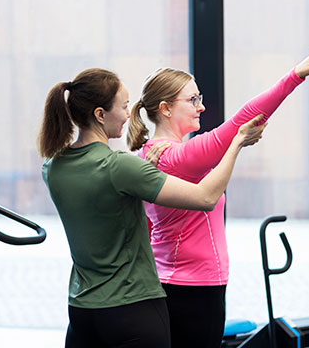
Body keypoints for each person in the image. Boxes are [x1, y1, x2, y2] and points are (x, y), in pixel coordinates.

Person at [127, 48, 309, 348]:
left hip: (174, 284)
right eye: (192, 100)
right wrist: (296, 75)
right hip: (192, 289)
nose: (201, 107)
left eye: (200, 98)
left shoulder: (149, 154)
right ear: (165, 109)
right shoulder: (176, 157)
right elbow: (240, 123)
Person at [38, 68, 265, 348]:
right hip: (132, 310)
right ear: (100, 114)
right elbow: (206, 198)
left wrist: (145, 174)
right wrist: (237, 142)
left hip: (82, 311)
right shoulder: (120, 166)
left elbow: (113, 211)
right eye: (123, 107)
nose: (127, 114)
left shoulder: (52, 168)